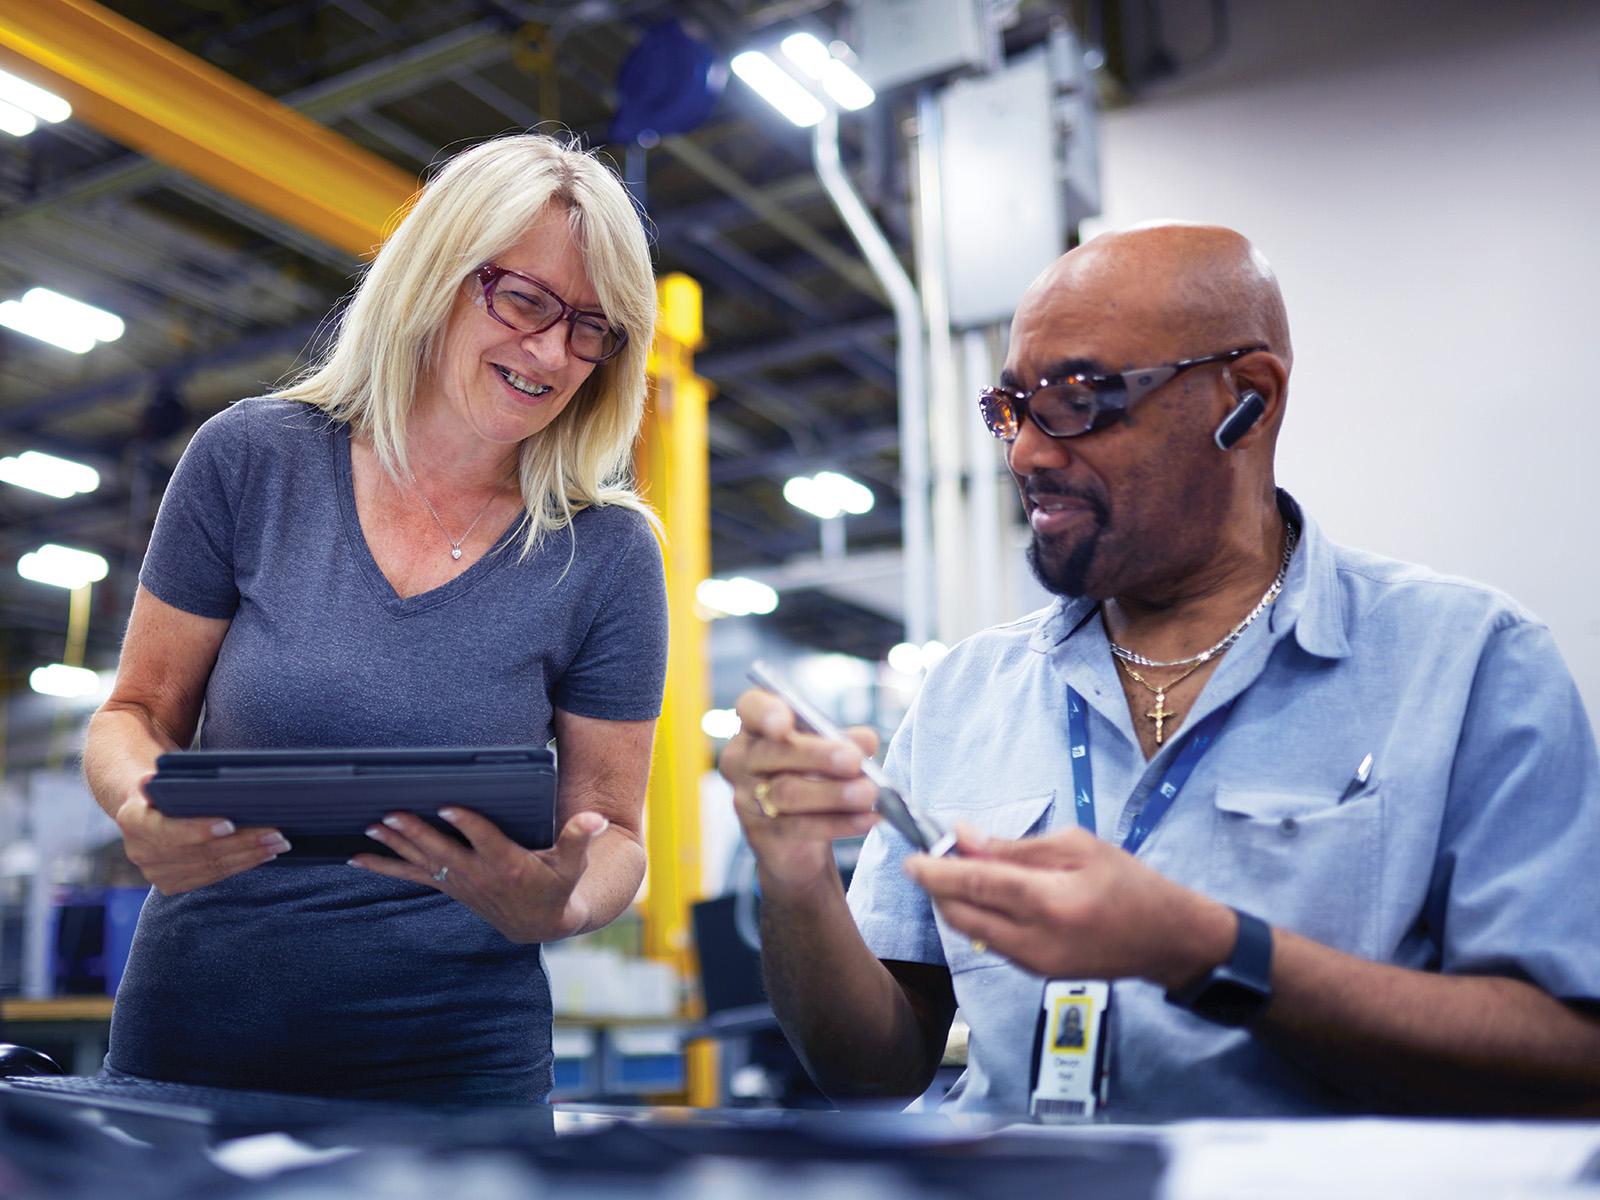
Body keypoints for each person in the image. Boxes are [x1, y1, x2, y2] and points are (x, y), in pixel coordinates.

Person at [720, 223, 1600, 1117]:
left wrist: (1205, 951)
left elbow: (1567, 1053)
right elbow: (871, 1069)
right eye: (1012, 406)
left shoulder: (1465, 662)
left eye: (1079, 396)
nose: (1025, 451)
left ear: (1247, 400)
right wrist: (795, 879)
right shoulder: (965, 694)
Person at [83, 134, 667, 1104]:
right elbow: (133, 713)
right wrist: (140, 806)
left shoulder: (604, 554)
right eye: (524, 302)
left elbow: (616, 836)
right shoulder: (250, 462)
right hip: (198, 1046)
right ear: (438, 275)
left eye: (593, 330)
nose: (553, 353)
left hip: (459, 1077)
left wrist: (561, 902)